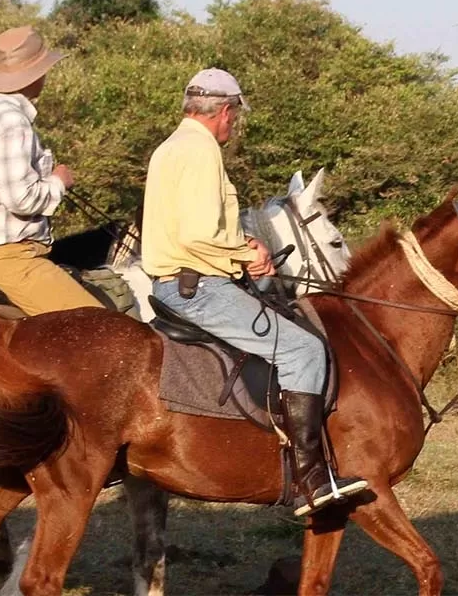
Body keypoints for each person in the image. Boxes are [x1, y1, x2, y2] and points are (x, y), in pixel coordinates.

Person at [142, 68, 369, 516]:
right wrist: (247, 250)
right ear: (225, 111)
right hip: (197, 286)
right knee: (303, 350)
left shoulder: (172, 146)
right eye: (235, 116)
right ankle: (313, 479)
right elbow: (196, 234)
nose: (234, 125)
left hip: (186, 279)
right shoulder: (201, 151)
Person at [0, 26, 101, 315]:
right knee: (103, 332)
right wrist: (58, 182)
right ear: (35, 75)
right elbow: (22, 199)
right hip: (10, 258)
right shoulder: (12, 121)